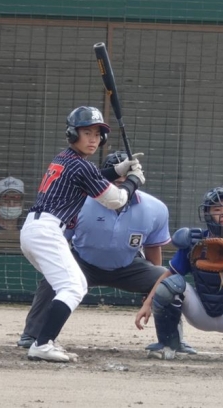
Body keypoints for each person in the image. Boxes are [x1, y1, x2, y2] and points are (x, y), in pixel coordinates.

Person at [17, 150, 195, 354]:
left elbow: (153, 249)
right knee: (54, 278)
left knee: (168, 282)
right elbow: (61, 240)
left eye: (126, 178)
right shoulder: (80, 202)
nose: (120, 183)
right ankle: (33, 335)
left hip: (129, 267)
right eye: (115, 178)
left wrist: (153, 291)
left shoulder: (156, 208)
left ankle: (172, 340)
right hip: (83, 262)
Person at [20, 106, 145, 363]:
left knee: (76, 284)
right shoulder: (80, 166)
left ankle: (43, 340)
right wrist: (133, 180)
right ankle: (42, 344)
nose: (93, 139)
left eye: (98, 134)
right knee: (72, 287)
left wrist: (120, 170)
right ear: (72, 134)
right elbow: (117, 200)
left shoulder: (65, 159)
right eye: (86, 133)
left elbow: (92, 178)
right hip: (46, 231)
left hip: (37, 229)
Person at [135, 186, 223, 362]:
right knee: (170, 285)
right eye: (217, 210)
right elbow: (168, 275)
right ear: (207, 213)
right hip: (199, 312)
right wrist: (147, 303)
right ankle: (169, 344)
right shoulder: (193, 241)